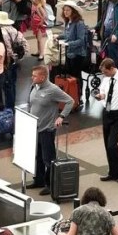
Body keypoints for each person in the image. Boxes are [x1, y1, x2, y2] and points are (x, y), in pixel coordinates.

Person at [27, 66, 74, 194]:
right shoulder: (34, 86)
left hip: (47, 129)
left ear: (43, 77)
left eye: (34, 76)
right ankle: (39, 180)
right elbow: (30, 104)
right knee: (38, 157)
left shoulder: (53, 90)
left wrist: (61, 116)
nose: (32, 77)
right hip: (35, 128)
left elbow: (70, 101)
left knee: (48, 159)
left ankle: (51, 184)